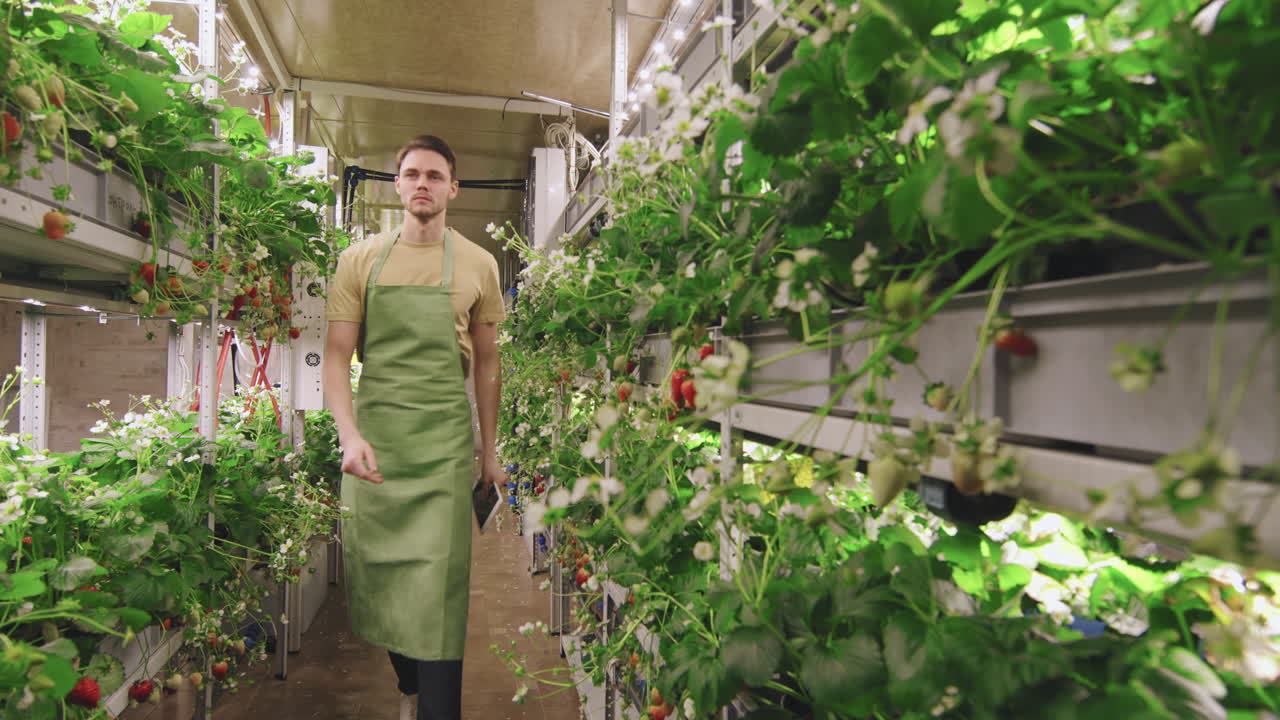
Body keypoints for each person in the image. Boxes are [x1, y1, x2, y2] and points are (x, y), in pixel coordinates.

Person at [322, 134, 507, 720]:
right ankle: (409, 685)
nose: (421, 183)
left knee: (441, 588)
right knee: (387, 583)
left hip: (444, 447)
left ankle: (436, 710)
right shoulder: (361, 259)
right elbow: (335, 356)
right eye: (410, 174)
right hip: (377, 446)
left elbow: (487, 363)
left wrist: (489, 454)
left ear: (453, 187)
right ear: (397, 185)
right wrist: (349, 436)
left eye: (434, 174)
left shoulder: (479, 263)